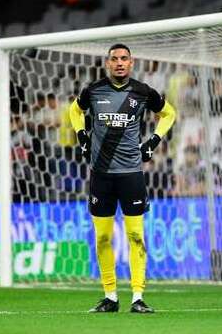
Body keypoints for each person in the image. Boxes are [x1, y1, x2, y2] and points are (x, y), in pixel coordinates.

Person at [70, 44, 176, 313]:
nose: (119, 63)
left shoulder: (142, 92)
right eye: (115, 59)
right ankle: (110, 297)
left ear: (131, 63)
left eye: (124, 59)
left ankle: (138, 297)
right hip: (101, 175)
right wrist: (82, 136)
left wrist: (153, 141)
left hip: (131, 173)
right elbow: (74, 111)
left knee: (135, 235)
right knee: (103, 238)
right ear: (108, 63)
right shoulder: (93, 90)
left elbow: (169, 114)